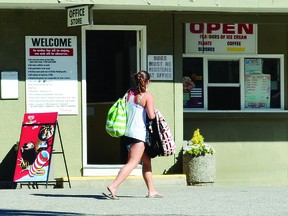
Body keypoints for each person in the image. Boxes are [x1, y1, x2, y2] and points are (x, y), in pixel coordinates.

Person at [103, 70, 163, 200]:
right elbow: (151, 115)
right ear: (148, 82)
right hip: (139, 134)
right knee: (133, 163)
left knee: (146, 162)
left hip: (128, 132)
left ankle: (152, 190)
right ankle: (113, 186)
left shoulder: (129, 94)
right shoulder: (148, 96)